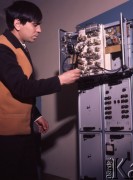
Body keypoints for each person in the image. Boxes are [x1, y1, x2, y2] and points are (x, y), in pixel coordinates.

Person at [0, 1, 81, 180]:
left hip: (22, 129)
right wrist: (60, 80)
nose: (39, 30)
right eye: (35, 24)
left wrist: (35, 114)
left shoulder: (19, 47)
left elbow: (15, 89)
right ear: (17, 24)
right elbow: (21, 87)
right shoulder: (2, 48)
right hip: (6, 135)